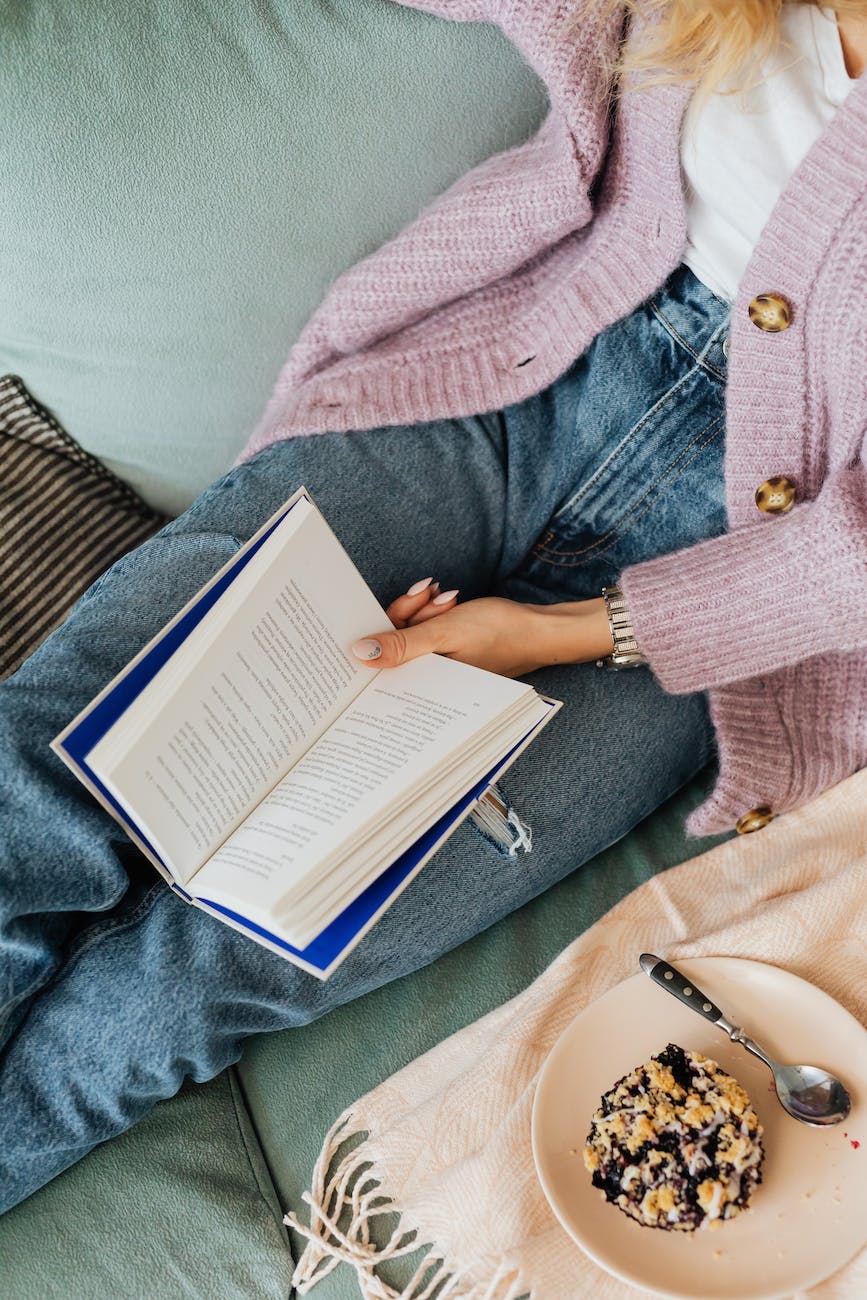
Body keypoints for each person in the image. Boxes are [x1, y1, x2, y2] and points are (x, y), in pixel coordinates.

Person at [1, 0, 865, 1212]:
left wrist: (560, 633)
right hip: (495, 390)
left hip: (743, 592)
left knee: (187, 989)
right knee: (49, 777)